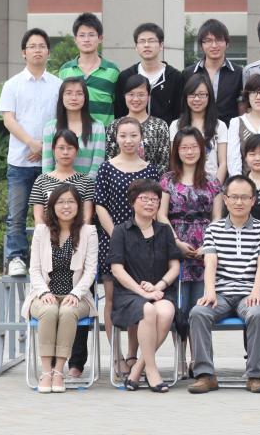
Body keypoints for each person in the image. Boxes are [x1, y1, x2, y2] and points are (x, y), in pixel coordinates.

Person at [187, 175, 260, 394]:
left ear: (253, 200)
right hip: (221, 295)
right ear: (225, 199)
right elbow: (210, 262)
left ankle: (255, 375)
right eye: (234, 197)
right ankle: (205, 375)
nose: (239, 202)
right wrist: (210, 292)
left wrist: (256, 293)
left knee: (258, 314)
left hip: (248, 294)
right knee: (198, 313)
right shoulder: (214, 229)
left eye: (244, 197)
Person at [94, 117, 163, 378]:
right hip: (112, 241)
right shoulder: (106, 168)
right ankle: (116, 356)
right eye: (123, 135)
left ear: (141, 137)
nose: (128, 140)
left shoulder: (151, 170)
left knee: (138, 299)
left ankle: (134, 355)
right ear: (116, 138)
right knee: (111, 299)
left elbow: (154, 206)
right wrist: (118, 235)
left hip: (143, 244)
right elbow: (100, 205)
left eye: (133, 135)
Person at [22, 184, 98, 393]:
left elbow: (91, 270)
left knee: (67, 311)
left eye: (71, 202)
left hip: (77, 296)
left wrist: (76, 293)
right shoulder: (41, 231)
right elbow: (34, 269)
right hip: (44, 293)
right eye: (61, 202)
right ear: (52, 206)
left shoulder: (89, 232)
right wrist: (44, 292)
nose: (66, 206)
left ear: (79, 206)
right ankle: (46, 371)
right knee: (48, 310)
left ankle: (59, 371)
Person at [0, 28, 62, 276]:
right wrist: (31, 143)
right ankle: (15, 257)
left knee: (52, 213)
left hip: (50, 162)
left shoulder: (58, 85)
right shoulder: (12, 85)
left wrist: (44, 147)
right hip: (19, 162)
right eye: (32, 46)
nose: (37, 50)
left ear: (48, 52)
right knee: (16, 214)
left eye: (42, 46)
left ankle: (49, 257)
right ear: (23, 53)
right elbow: (9, 119)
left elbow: (62, 121)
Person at [108, 179, 181, 392]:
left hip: (160, 291)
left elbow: (175, 267)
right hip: (128, 294)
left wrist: (158, 286)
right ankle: (152, 370)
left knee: (166, 312)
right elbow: (117, 270)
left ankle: (138, 368)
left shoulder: (165, 231)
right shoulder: (120, 231)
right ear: (133, 201)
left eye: (155, 200)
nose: (150, 203)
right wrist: (142, 291)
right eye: (145, 198)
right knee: (148, 310)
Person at [157, 127, 223, 360]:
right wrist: (176, 242)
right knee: (179, 306)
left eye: (194, 147)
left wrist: (209, 244)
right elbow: (161, 215)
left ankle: (199, 358)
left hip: (205, 250)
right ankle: (180, 359)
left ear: (202, 150)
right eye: (184, 147)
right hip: (176, 248)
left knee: (200, 305)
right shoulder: (167, 180)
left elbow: (217, 217)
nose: (189, 151)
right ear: (176, 150)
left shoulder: (212, 181)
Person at [58, 12, 119, 127]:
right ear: (75, 39)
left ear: (100, 38)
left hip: (104, 135)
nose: (86, 40)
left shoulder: (112, 71)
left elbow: (119, 105)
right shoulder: (65, 70)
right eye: (82, 35)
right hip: (72, 135)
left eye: (91, 35)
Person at [114, 23, 184, 123]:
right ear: (136, 46)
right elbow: (119, 112)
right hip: (131, 132)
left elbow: (179, 114)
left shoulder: (175, 77)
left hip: (166, 132)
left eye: (151, 41)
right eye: (142, 41)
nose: (146, 45)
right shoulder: (126, 76)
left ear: (161, 45)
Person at [182, 19, 243, 124]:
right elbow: (183, 107)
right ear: (201, 45)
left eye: (219, 40)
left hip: (229, 131)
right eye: (208, 41)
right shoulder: (188, 73)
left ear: (227, 43)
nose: (214, 45)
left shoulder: (239, 73)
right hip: (195, 131)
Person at [41, 78, 106, 176]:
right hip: (56, 184)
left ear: (85, 97)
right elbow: (47, 166)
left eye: (79, 94)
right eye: (69, 93)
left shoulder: (97, 127)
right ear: (61, 97)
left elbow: (97, 165)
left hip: (87, 185)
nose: (74, 98)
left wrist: (83, 184)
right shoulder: (50, 128)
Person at [106, 75, 171, 171]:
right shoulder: (114, 125)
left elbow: (163, 163)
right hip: (118, 179)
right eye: (131, 94)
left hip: (151, 179)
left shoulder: (160, 126)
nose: (136, 99)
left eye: (141, 95)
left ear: (148, 96)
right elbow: (109, 158)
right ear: (124, 96)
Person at [31, 130, 95, 227]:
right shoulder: (41, 181)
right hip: (48, 234)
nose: (65, 152)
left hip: (78, 234)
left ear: (77, 151)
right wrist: (46, 235)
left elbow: (87, 217)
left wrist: (78, 235)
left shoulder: (86, 182)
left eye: (70, 148)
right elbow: (39, 217)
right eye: (61, 148)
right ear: (53, 150)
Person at [171, 75, 228, 183]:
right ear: (186, 97)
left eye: (202, 95)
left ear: (209, 97)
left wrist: (215, 188)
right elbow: (174, 160)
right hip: (183, 186)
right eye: (192, 94)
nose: (197, 99)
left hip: (211, 184)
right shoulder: (175, 125)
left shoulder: (220, 126)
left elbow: (223, 163)